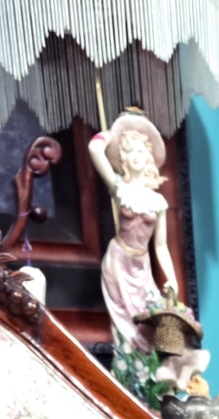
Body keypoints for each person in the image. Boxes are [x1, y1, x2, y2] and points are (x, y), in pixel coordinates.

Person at [87, 110, 209, 394]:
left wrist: (173, 281)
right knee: (127, 331)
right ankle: (130, 386)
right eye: (130, 152)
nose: (136, 156)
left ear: (150, 158)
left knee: (150, 322)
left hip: (141, 266)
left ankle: (156, 387)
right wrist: (112, 135)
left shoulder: (157, 201)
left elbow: (161, 246)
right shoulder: (120, 189)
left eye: (141, 151)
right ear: (124, 159)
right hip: (118, 263)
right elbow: (94, 148)